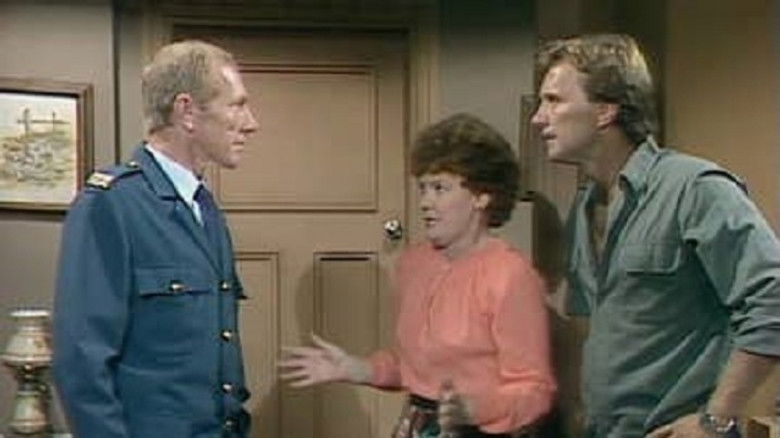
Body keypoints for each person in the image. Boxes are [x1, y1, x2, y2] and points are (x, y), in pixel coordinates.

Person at [531, 33, 780, 437]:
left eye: (553, 101)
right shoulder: (584, 208)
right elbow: (589, 324)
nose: (538, 118)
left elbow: (772, 297)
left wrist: (716, 418)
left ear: (605, 110)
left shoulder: (694, 189)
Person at [279, 113, 556, 437]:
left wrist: (475, 408)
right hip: (417, 425)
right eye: (423, 188)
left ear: (482, 196)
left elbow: (535, 390)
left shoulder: (511, 275)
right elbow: (414, 368)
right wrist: (356, 368)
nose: (425, 202)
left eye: (440, 189)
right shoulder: (415, 264)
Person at [52, 40, 259, 437]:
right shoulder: (112, 205)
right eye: (236, 105)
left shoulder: (205, 210)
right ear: (187, 111)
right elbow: (82, 362)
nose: (251, 123)